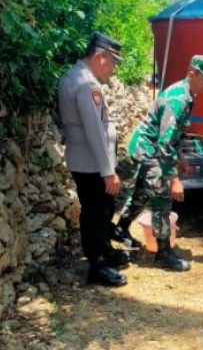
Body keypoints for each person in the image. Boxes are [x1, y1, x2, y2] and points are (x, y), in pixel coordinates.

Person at [111, 55, 203, 271]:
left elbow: (173, 136)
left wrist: (182, 157)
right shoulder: (178, 100)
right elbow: (164, 143)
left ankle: (120, 229)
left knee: (143, 192)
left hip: (151, 148)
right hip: (148, 150)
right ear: (192, 75)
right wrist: (174, 179)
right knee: (161, 198)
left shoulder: (188, 94)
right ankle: (163, 254)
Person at [59, 32, 129, 287]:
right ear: (100, 56)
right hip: (92, 164)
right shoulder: (86, 84)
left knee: (103, 209)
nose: (113, 68)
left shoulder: (75, 76)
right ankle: (97, 266)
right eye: (112, 62)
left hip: (89, 162)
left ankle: (105, 251)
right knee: (96, 213)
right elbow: (94, 131)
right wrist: (108, 171)